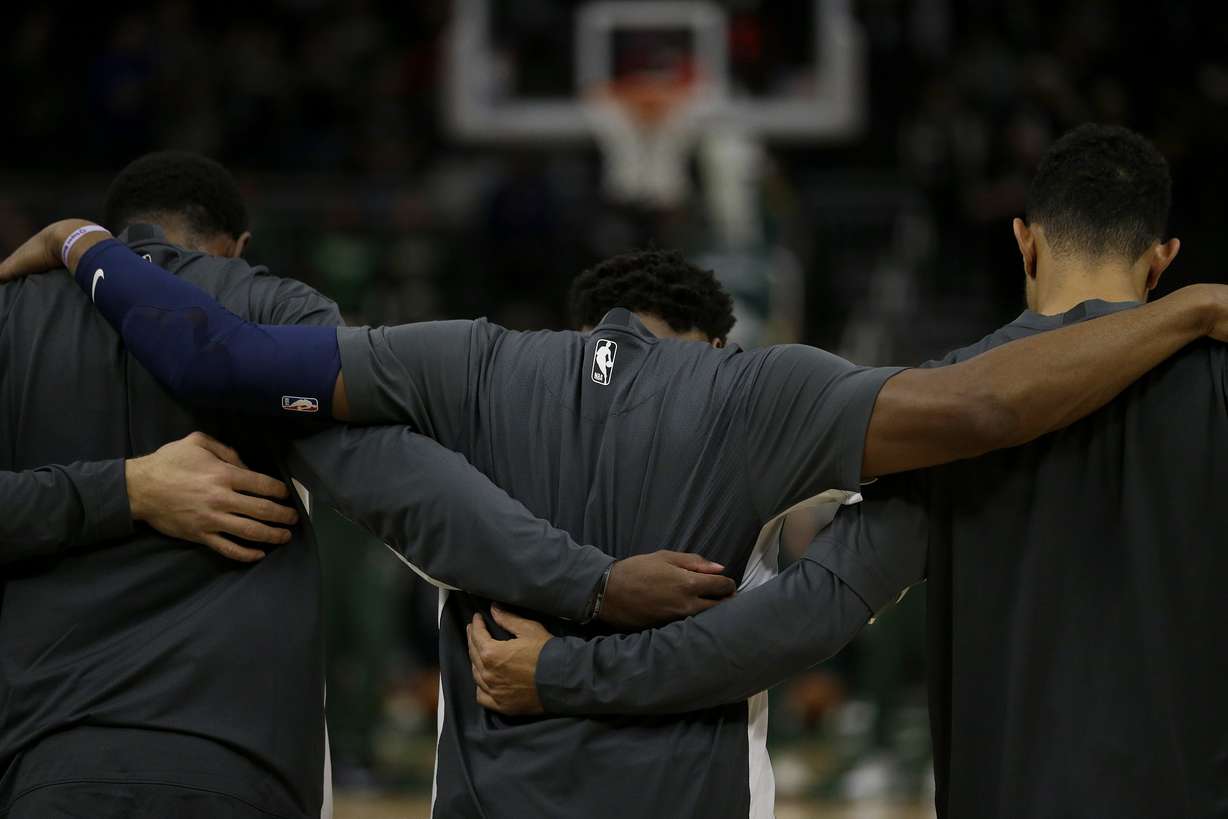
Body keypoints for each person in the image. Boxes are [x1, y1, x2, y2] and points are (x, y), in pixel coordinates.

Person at [6, 200, 1228, 819]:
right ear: (706, 335)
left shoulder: (468, 362)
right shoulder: (760, 389)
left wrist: (87, 247)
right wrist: (1178, 316)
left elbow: (221, 363)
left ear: (593, 317)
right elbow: (962, 431)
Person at [469, 124, 1228, 818]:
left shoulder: (946, 405)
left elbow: (796, 619)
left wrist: (566, 673)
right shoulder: (1214, 380)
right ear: (1161, 260)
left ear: (1025, 244)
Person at [0, 153, 722, 819]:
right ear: (236, 246)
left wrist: (113, 491)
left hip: (41, 757)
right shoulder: (270, 305)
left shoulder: (11, 313)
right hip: (230, 758)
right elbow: (399, 484)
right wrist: (592, 582)